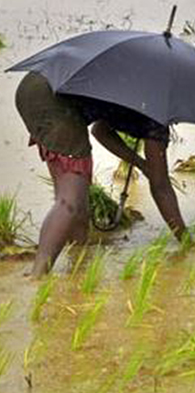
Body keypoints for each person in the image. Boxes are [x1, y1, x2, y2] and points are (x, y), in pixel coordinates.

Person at [15, 72, 186, 277]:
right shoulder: (157, 118)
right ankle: (38, 274)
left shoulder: (140, 87)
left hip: (34, 86)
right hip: (54, 102)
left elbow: (100, 131)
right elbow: (161, 187)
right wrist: (186, 240)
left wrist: (140, 164)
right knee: (69, 202)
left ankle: (78, 262)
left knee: (77, 199)